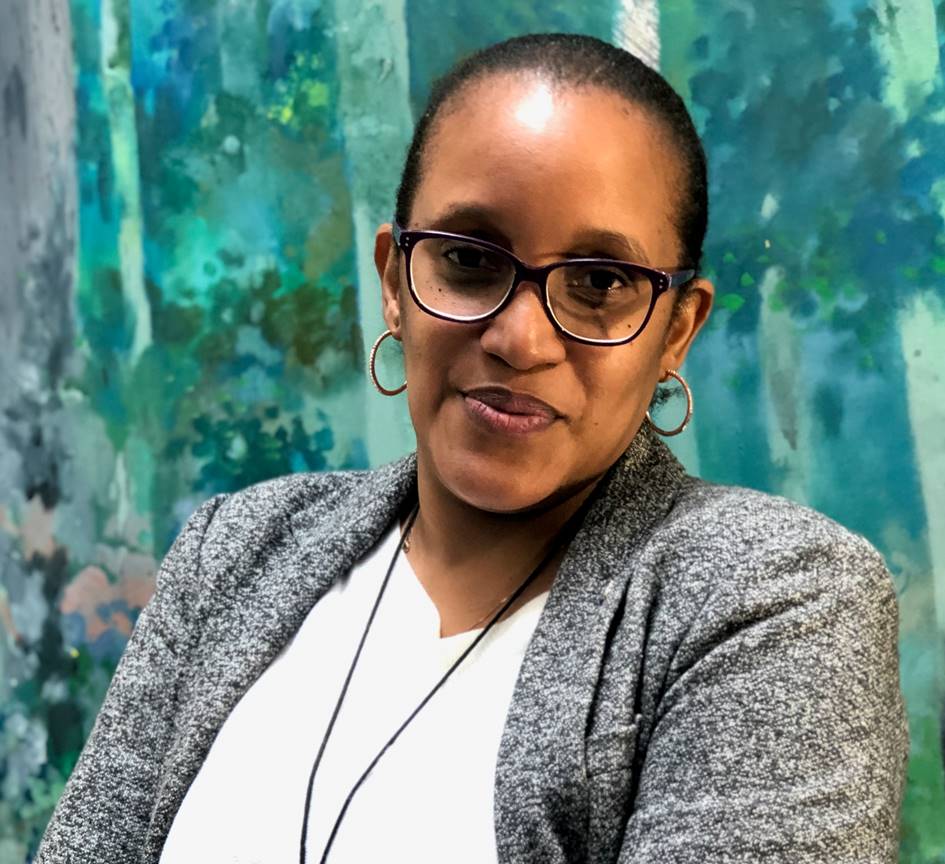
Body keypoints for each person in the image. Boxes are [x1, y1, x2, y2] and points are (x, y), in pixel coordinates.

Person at [36, 33, 907, 864]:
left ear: (675, 330)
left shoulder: (770, 601)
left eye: (599, 283)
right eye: (467, 261)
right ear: (394, 281)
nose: (520, 338)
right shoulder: (236, 552)